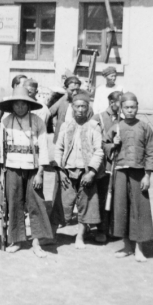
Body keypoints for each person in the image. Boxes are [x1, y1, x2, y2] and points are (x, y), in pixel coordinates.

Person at [0, 85, 52, 258]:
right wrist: (1, 171)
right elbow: (1, 148)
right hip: (12, 168)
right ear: (12, 105)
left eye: (23, 104)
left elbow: (43, 147)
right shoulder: (6, 121)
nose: (20, 108)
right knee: (13, 203)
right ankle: (17, 240)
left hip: (33, 169)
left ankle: (36, 242)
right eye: (17, 104)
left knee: (36, 203)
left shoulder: (37, 121)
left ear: (29, 105)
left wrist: (40, 172)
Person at [48, 93, 103, 249]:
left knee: (85, 204)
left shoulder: (94, 126)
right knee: (61, 203)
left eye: (83, 106)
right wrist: (60, 171)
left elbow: (99, 150)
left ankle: (80, 237)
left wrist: (91, 172)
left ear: (88, 108)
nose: (80, 110)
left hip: (86, 173)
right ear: (72, 108)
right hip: (67, 172)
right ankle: (52, 235)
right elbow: (58, 149)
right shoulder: (66, 127)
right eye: (77, 106)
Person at [108, 92, 153, 262]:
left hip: (138, 174)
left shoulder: (144, 127)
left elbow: (151, 152)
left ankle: (139, 248)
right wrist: (113, 144)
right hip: (120, 173)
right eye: (126, 107)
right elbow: (105, 146)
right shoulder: (116, 127)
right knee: (121, 209)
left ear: (137, 107)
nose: (130, 110)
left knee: (139, 209)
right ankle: (127, 246)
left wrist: (147, 176)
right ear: (121, 109)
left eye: (133, 107)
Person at [91, 90, 123, 243]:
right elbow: (92, 142)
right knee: (102, 196)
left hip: (117, 165)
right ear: (112, 103)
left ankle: (111, 227)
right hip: (102, 165)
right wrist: (111, 146)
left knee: (115, 196)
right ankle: (100, 230)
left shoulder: (123, 120)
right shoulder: (99, 118)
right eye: (120, 103)